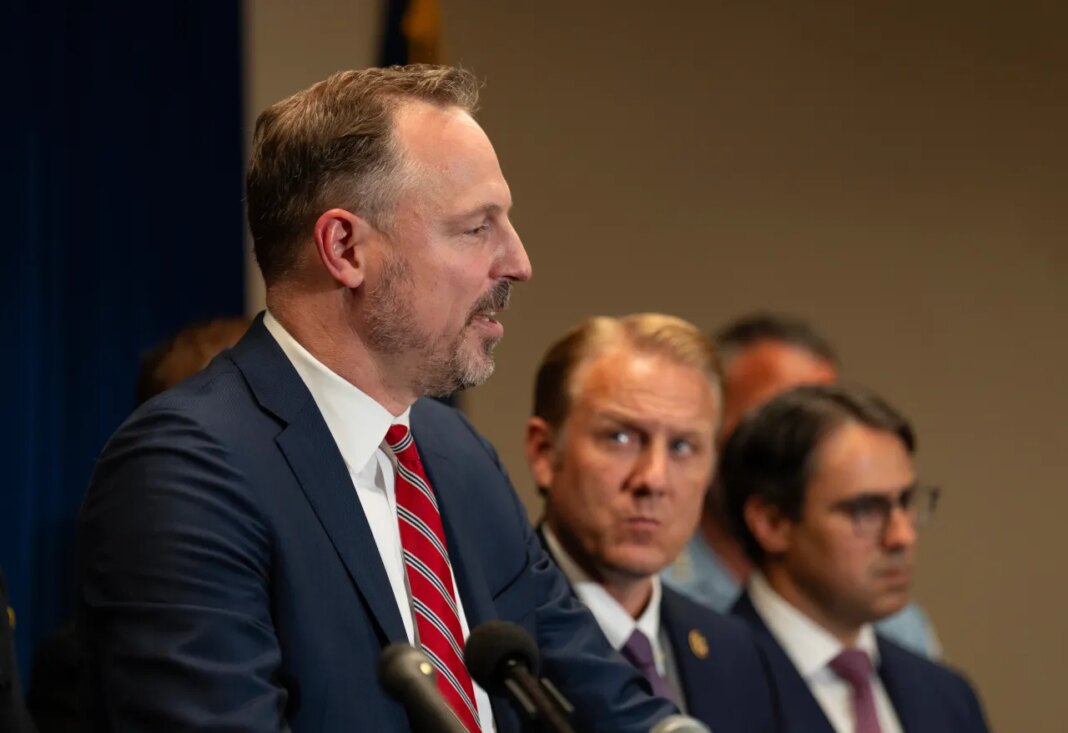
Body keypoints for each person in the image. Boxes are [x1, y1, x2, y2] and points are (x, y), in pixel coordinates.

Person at [77, 66, 675, 732]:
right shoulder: (187, 470)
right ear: (346, 247)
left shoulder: (459, 456)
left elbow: (604, 697)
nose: (518, 261)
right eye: (478, 228)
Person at [524, 314, 777, 733]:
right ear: (545, 453)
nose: (654, 479)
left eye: (683, 446)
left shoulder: (737, 651)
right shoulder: (494, 630)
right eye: (621, 438)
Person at [663, 313, 940, 657]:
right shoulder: (653, 592)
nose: (801, 448)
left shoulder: (895, 625)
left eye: (822, 419)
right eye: (773, 416)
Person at [723, 384, 989, 733]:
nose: (901, 536)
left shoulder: (947, 696)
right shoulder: (708, 684)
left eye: (905, 501)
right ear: (772, 523)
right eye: (865, 510)